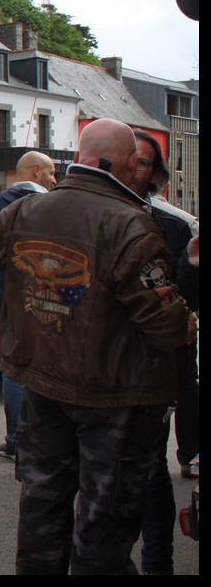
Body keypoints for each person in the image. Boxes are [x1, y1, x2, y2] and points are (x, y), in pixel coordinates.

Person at [0, 118, 195, 575]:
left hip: (42, 385)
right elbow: (164, 325)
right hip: (112, 398)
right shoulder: (132, 225)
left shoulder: (29, 210)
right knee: (103, 527)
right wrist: (187, 323)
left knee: (41, 512)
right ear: (128, 164)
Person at [130, 129, 200, 576]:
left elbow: (185, 304)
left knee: (150, 472)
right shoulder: (78, 214)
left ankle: (158, 564)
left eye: (140, 161)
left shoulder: (174, 224)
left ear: (156, 173)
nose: (128, 166)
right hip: (93, 371)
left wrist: (190, 267)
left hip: (152, 369)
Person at [0, 150, 57, 461]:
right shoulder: (47, 206)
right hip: (36, 298)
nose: (54, 179)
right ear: (36, 171)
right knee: (34, 369)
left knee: (12, 369)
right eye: (50, 173)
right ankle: (31, 440)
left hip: (1, 299)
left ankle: (15, 440)